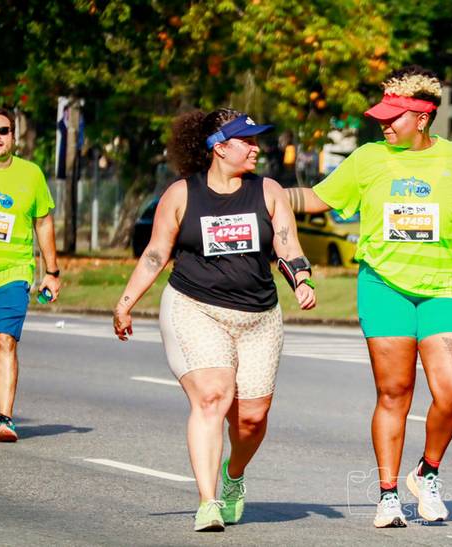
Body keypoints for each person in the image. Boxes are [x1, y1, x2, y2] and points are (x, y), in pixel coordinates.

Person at [286, 66, 452, 529]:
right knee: (395, 394)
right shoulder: (368, 158)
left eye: (394, 117)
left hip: (445, 290)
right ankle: (388, 496)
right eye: (382, 117)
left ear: (423, 117)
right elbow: (315, 199)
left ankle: (426, 473)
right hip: (383, 287)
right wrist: (259, 193)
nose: (384, 124)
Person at [113, 108, 316, 532]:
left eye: (258, 140)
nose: (257, 148)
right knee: (212, 396)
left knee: (251, 418)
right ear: (220, 148)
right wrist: (126, 301)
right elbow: (155, 254)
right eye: (248, 141)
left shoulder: (269, 191)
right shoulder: (182, 194)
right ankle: (207, 502)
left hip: (259, 316)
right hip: (196, 306)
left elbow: (287, 244)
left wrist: (300, 279)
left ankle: (234, 476)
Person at [0, 108, 60, 443]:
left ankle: (5, 419)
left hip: (13, 272)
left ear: (13, 136)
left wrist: (53, 271)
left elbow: (43, 222)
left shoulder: (31, 175)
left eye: (3, 130)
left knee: (5, 341)